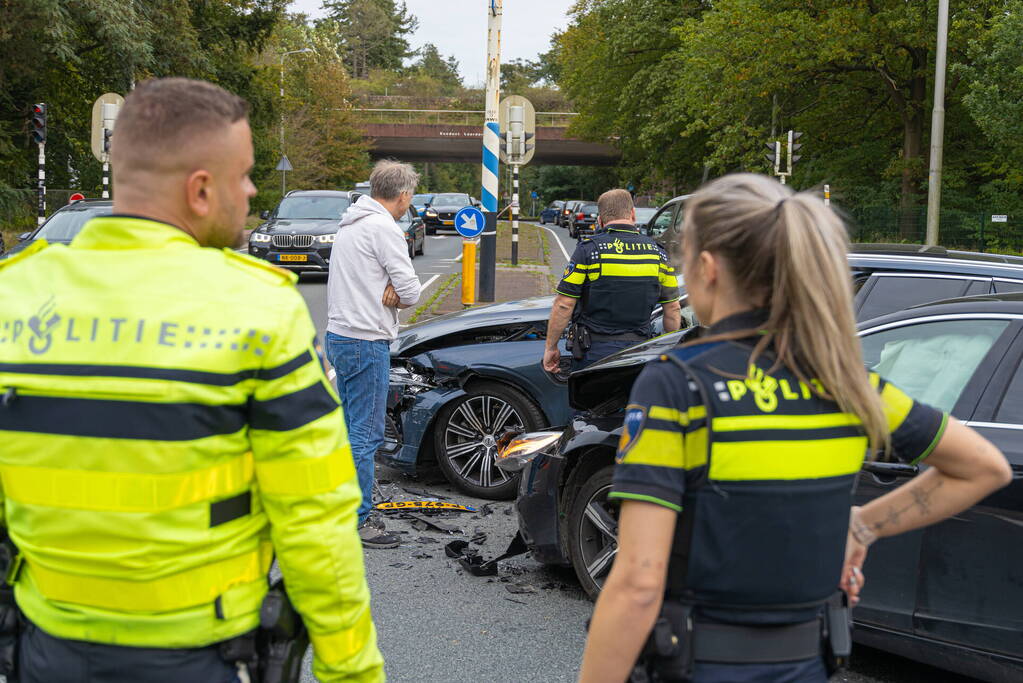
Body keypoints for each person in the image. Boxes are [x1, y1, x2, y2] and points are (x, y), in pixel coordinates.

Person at [0, 78, 383, 683]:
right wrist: (353, 673)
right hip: (200, 657)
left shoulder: (13, 297)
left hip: (43, 653)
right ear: (201, 190)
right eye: (246, 176)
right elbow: (315, 522)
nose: (253, 192)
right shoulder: (258, 311)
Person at [578, 173, 1012, 683]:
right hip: (806, 664)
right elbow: (983, 467)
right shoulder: (845, 381)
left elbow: (638, 583)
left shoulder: (679, 384)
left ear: (710, 269)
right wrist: (863, 526)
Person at [326, 160, 421, 549]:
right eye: (410, 195)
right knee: (366, 435)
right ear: (403, 195)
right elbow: (412, 291)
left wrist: (392, 289)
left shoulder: (351, 223)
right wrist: (399, 294)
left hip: (339, 337)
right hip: (367, 342)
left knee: (349, 431)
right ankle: (359, 520)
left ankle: (341, 505)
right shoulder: (385, 228)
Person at [543, 189, 682, 374]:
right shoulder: (658, 254)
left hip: (594, 352)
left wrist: (551, 347)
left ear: (600, 220)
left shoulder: (588, 250)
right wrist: (670, 348)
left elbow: (564, 304)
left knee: (594, 403)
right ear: (632, 214)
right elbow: (673, 309)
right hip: (640, 352)